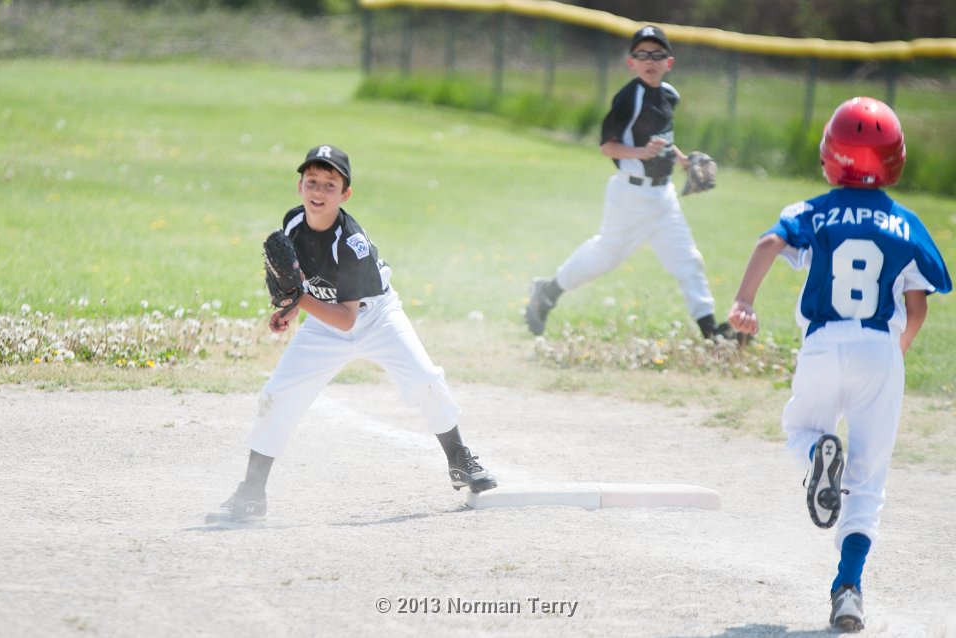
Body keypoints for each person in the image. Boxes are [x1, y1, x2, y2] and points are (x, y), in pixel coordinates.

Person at [727, 97, 951, 632]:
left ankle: (817, 458)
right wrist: (893, 354)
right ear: (895, 159)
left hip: (824, 343)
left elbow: (770, 240)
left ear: (831, 154)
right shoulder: (905, 223)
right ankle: (848, 590)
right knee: (867, 483)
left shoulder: (816, 210)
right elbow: (918, 307)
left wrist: (744, 302)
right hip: (879, 349)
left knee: (801, 429)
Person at [207, 144, 497, 525]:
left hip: (376, 317)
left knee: (426, 379)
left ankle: (459, 459)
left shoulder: (350, 243)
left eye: (330, 185)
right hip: (323, 322)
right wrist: (291, 309)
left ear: (345, 195)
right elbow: (306, 285)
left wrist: (301, 299)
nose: (319, 191)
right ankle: (251, 494)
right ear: (299, 186)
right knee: (278, 394)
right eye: (312, 181)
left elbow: (347, 319)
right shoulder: (293, 224)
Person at [524, 25, 736, 342]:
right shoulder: (628, 98)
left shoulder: (669, 95)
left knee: (688, 260)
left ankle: (712, 333)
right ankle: (548, 291)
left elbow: (662, 140)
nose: (650, 60)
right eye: (642, 54)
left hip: (663, 197)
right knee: (603, 257)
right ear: (631, 62)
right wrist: (640, 153)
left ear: (669, 63)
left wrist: (682, 160)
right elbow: (607, 146)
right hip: (630, 196)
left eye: (657, 54)